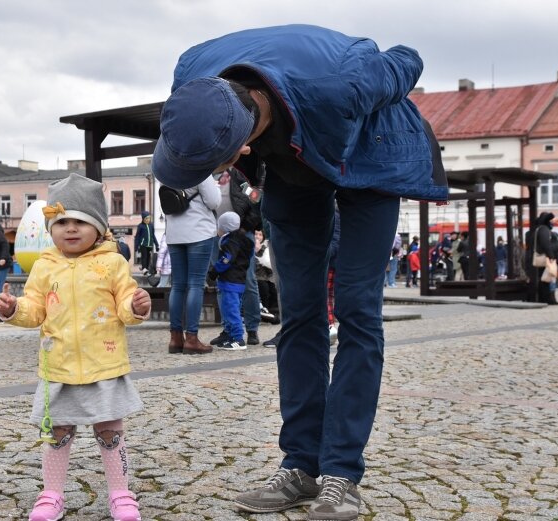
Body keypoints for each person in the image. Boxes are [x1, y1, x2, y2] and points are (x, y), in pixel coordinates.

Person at [151, 24, 448, 520]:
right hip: (294, 161)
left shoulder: (345, 86)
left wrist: (368, 86)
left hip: (369, 152)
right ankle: (300, 466)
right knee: (300, 314)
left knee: (355, 309)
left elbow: (408, 56)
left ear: (239, 147)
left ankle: (341, 474)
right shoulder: (192, 76)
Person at [0, 173, 151, 521]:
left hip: (104, 364)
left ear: (99, 226)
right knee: (58, 431)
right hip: (59, 365)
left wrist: (136, 307)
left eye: (80, 221)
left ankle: (120, 493)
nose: (70, 228)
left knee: (110, 429)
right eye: (61, 221)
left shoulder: (113, 263)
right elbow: (35, 309)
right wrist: (14, 309)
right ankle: (51, 494)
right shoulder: (45, 266)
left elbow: (125, 303)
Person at [165, 176, 221, 355]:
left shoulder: (167, 168)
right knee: (195, 284)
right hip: (198, 230)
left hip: (174, 232)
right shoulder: (200, 168)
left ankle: (175, 338)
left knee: (178, 286)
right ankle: (191, 338)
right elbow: (214, 201)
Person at [209, 168, 263, 347]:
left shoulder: (241, 173)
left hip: (241, 232)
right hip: (217, 232)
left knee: (248, 281)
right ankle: (229, 330)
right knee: (221, 282)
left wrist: (246, 226)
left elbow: (256, 200)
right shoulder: (210, 173)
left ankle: (252, 328)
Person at [208, 211, 254, 350]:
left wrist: (215, 270)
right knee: (232, 308)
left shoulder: (230, 241)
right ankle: (229, 335)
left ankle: (238, 338)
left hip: (230, 281)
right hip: (238, 280)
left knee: (231, 309)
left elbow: (227, 259)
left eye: (219, 228)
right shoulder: (244, 240)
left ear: (224, 229)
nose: (218, 231)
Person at [525, 212, 557, 305]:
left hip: (533, 257)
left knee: (540, 278)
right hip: (541, 258)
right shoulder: (544, 229)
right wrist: (551, 255)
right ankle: (544, 298)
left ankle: (539, 298)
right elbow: (545, 244)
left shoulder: (536, 229)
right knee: (544, 279)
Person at [254, 229, 279, 323]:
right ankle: (263, 311)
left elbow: (269, 264)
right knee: (263, 288)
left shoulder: (265, 247)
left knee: (273, 288)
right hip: (256, 277)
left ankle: (272, 311)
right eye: (255, 234)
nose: (257, 236)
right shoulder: (248, 246)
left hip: (267, 276)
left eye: (260, 235)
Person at [326, 205, 341, 343]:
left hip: (330, 261)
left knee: (326, 295)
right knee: (332, 295)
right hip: (340, 262)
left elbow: (334, 242)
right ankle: (332, 326)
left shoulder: (333, 215)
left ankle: (330, 325)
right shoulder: (341, 215)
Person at [134, 211, 159, 275]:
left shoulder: (151, 225)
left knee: (148, 257)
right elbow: (137, 236)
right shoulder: (140, 226)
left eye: (149, 218)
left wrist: (157, 245)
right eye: (146, 218)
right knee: (144, 256)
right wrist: (136, 246)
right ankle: (144, 268)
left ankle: (146, 269)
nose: (148, 220)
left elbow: (153, 235)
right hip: (143, 244)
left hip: (149, 245)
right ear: (143, 219)